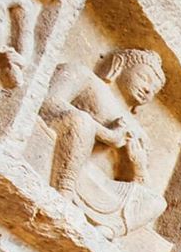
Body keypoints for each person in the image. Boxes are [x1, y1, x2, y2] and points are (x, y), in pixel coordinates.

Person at [39, 48, 168, 239]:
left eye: (154, 90)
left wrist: (138, 166)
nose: (148, 90)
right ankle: (63, 194)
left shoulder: (139, 133)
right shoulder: (85, 77)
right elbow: (48, 102)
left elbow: (143, 189)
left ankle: (109, 230)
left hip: (100, 185)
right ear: (119, 64)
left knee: (158, 202)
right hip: (69, 159)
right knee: (81, 120)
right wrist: (108, 135)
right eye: (144, 77)